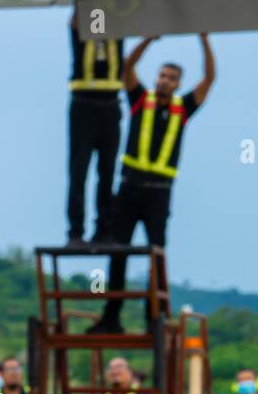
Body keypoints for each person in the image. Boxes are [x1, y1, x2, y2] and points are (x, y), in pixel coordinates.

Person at [89, 34, 216, 334]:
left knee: (156, 255)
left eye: (171, 78)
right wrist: (148, 40)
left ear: (178, 83)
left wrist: (204, 39)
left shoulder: (182, 108)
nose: (164, 81)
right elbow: (127, 68)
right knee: (118, 252)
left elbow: (210, 78)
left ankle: (153, 318)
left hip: (159, 193)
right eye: (161, 75)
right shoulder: (139, 100)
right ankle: (112, 316)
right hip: (129, 189)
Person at [66, 10, 124, 246]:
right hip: (83, 104)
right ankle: (76, 232)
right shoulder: (82, 32)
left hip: (110, 104)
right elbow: (75, 21)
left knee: (107, 172)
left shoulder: (117, 35)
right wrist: (82, 2)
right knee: (78, 171)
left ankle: (104, 231)